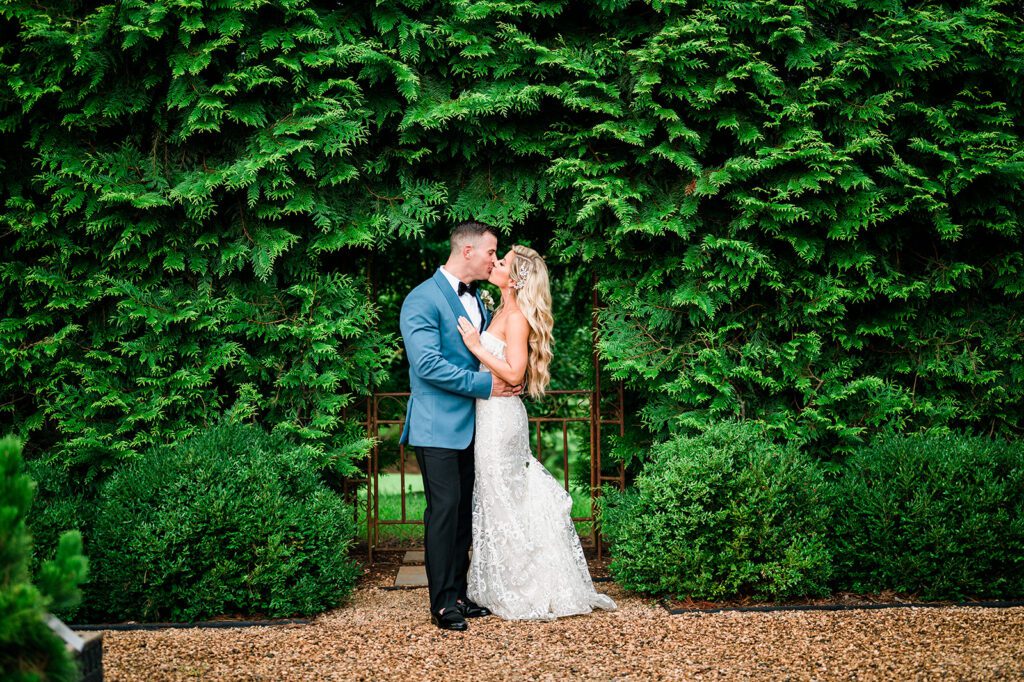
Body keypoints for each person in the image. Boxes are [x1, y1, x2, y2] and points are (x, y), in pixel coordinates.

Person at [456, 244, 618, 620]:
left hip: (500, 417)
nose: (494, 264)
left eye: (502, 263)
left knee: (501, 495)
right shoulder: (501, 308)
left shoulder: (516, 317)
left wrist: (476, 347)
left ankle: (522, 586)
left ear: (515, 280)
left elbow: (515, 374)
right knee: (498, 497)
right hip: (492, 413)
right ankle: (503, 581)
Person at [398, 221, 522, 632]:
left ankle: (460, 593)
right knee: (445, 511)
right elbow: (427, 365)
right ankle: (441, 604)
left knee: (466, 513)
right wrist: (487, 385)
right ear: (466, 251)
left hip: (479, 426)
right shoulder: (421, 299)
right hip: (437, 426)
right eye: (491, 251)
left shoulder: (482, 301)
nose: (495, 259)